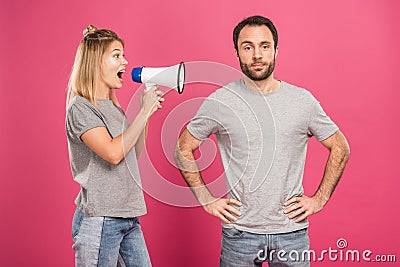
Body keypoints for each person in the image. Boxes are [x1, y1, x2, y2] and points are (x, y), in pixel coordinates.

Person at [174, 15, 350, 267]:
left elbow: (340, 147)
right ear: (237, 52)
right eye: (248, 47)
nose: (257, 54)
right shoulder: (221, 101)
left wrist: (319, 198)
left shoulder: (302, 101)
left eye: (264, 46)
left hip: (291, 233)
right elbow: (184, 148)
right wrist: (206, 199)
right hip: (239, 235)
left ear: (276, 50)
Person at [66, 25, 163, 267]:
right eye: (117, 55)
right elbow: (113, 153)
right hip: (101, 219)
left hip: (127, 216)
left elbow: (133, 153)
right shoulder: (80, 107)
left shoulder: (112, 107)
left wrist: (146, 115)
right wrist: (143, 113)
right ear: (96, 62)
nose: (125, 62)